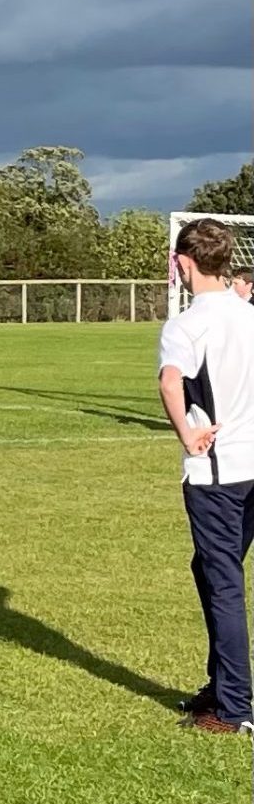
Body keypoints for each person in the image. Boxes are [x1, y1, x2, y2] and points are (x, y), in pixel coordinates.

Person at [161, 219, 254, 735]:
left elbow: (170, 380)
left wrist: (186, 434)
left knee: (223, 584)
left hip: (218, 474)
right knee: (210, 570)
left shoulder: (187, 324)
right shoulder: (249, 315)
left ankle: (235, 709)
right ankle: (221, 686)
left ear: (182, 263)